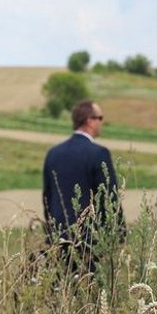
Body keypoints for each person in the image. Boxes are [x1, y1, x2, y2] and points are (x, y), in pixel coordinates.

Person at [42, 99, 125, 274]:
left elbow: (47, 197)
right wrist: (118, 234)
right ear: (89, 120)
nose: (101, 123)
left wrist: (51, 233)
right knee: (90, 293)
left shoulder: (53, 153)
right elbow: (109, 199)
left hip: (58, 237)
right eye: (100, 118)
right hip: (90, 240)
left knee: (62, 291)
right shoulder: (99, 153)